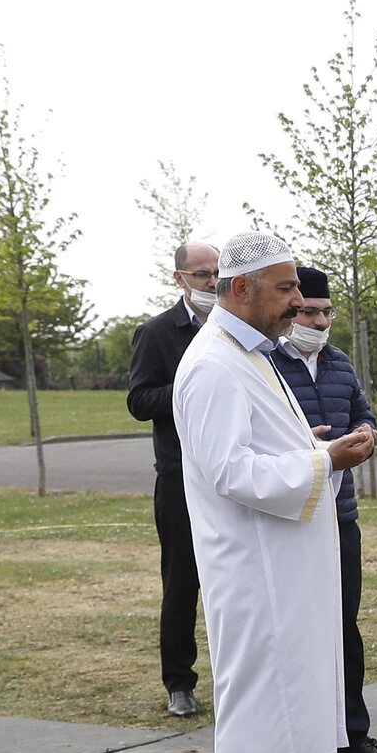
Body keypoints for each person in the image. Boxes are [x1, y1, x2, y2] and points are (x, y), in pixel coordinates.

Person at [173, 230, 376, 753]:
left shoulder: (251, 355)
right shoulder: (212, 364)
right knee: (259, 698)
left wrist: (309, 444)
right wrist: (324, 460)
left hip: (280, 562)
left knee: (287, 692)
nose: (298, 300)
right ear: (241, 288)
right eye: (286, 288)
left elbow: (260, 447)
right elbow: (231, 469)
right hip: (251, 566)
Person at [271, 265, 377, 753]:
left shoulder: (339, 361)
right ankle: (295, 750)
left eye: (328, 312)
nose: (321, 321)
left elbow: (363, 412)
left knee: (343, 626)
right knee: (293, 634)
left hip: (338, 514)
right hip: (289, 513)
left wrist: (366, 433)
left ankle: (352, 735)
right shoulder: (265, 364)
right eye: (310, 311)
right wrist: (309, 447)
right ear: (290, 310)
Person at [127, 241, 219, 719]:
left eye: (217, 274)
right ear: (179, 278)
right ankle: (179, 683)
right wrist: (188, 391)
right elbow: (139, 401)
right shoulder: (158, 333)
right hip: (181, 478)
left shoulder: (232, 329)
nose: (211, 283)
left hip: (229, 475)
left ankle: (234, 677)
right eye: (202, 274)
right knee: (182, 583)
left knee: (233, 582)